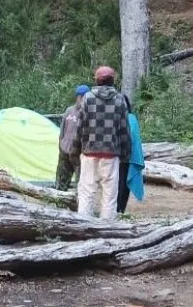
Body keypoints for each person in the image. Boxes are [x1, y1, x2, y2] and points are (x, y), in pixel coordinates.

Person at [73, 66, 130, 219]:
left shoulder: (88, 98)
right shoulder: (120, 99)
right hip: (111, 154)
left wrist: (75, 149)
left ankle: (83, 227)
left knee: (86, 193)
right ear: (113, 80)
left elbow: (80, 127)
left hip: (89, 153)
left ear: (97, 80)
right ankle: (107, 230)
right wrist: (126, 155)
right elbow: (124, 130)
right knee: (110, 195)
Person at [56, 85, 89, 191]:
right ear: (77, 97)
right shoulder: (69, 111)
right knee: (61, 182)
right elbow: (62, 130)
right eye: (80, 96)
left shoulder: (88, 113)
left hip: (79, 154)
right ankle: (59, 202)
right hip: (65, 152)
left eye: (84, 97)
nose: (82, 99)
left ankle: (78, 205)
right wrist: (61, 144)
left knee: (81, 183)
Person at [117, 95, 145, 214]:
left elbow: (134, 137)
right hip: (119, 155)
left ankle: (120, 209)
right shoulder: (126, 117)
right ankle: (118, 209)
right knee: (119, 183)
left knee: (122, 183)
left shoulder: (130, 118)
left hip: (125, 156)